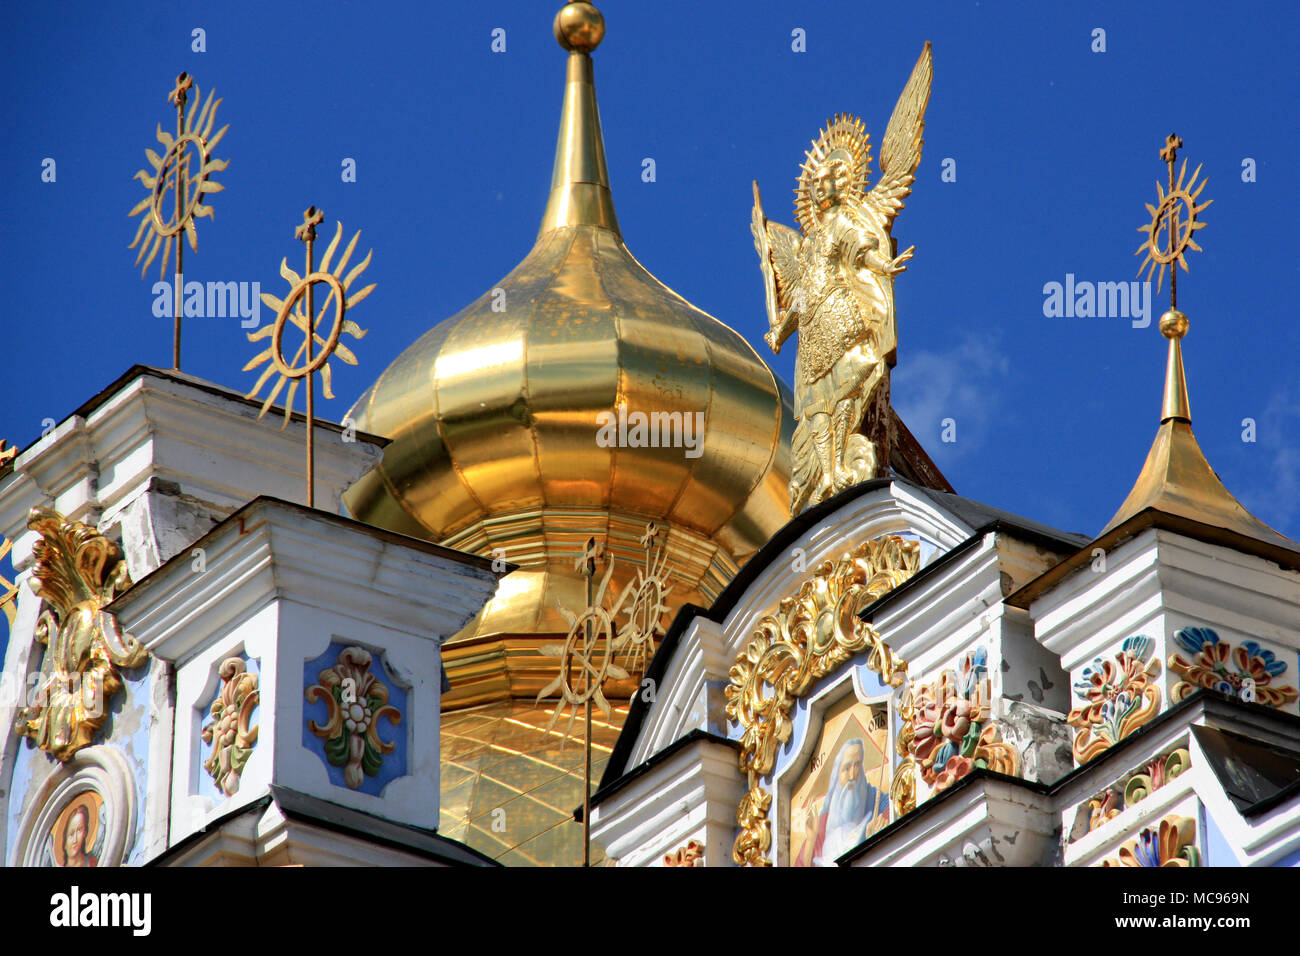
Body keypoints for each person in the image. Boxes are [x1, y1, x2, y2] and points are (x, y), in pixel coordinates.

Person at [797, 738, 888, 866]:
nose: (852, 776)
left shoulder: (878, 802)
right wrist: (811, 840)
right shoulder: (822, 824)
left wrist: (874, 839)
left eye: (857, 766)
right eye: (846, 768)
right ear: (837, 774)